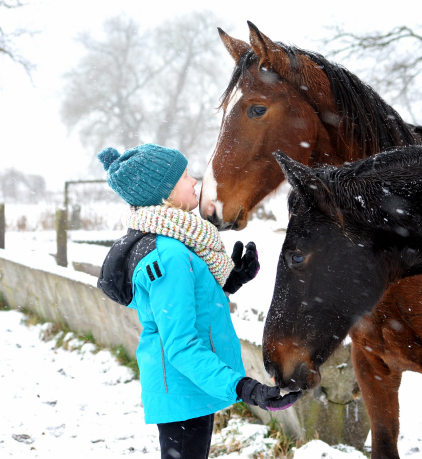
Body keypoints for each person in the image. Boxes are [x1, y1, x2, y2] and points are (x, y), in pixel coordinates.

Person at [95, 144, 302, 459]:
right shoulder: (169, 254)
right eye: (183, 176)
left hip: (187, 387)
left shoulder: (175, 241)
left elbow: (188, 305)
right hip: (182, 390)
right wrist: (247, 389)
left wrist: (233, 281)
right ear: (163, 194)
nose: (195, 182)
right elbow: (180, 344)